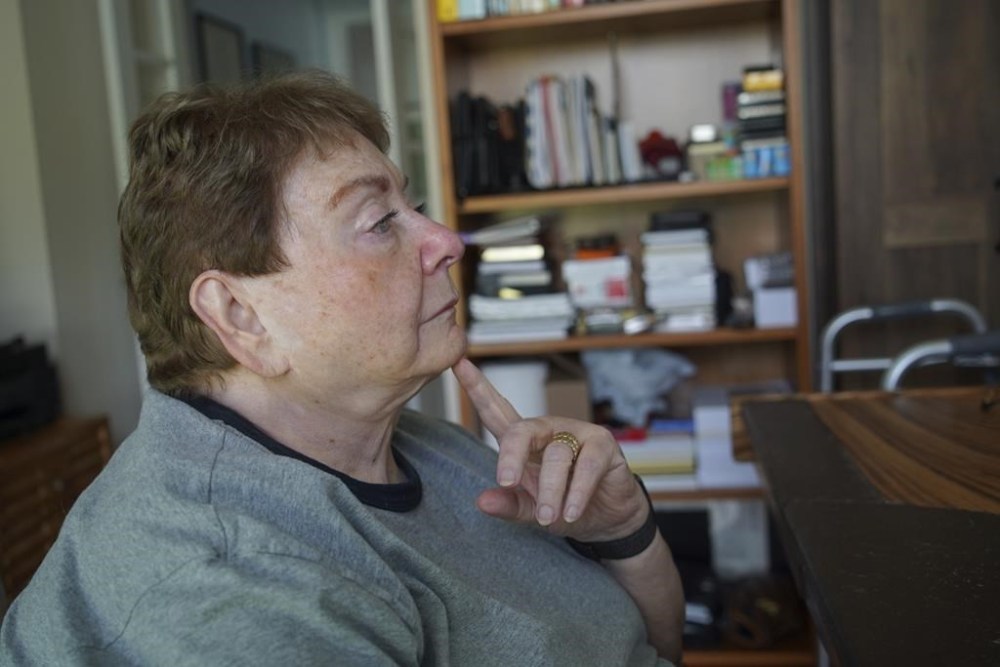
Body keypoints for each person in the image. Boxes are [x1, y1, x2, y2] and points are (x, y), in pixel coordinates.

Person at [0, 70, 683, 665]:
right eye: (379, 222)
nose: (446, 240)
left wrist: (622, 530)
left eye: (408, 206)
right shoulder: (237, 589)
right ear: (240, 314)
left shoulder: (409, 441)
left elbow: (653, 648)